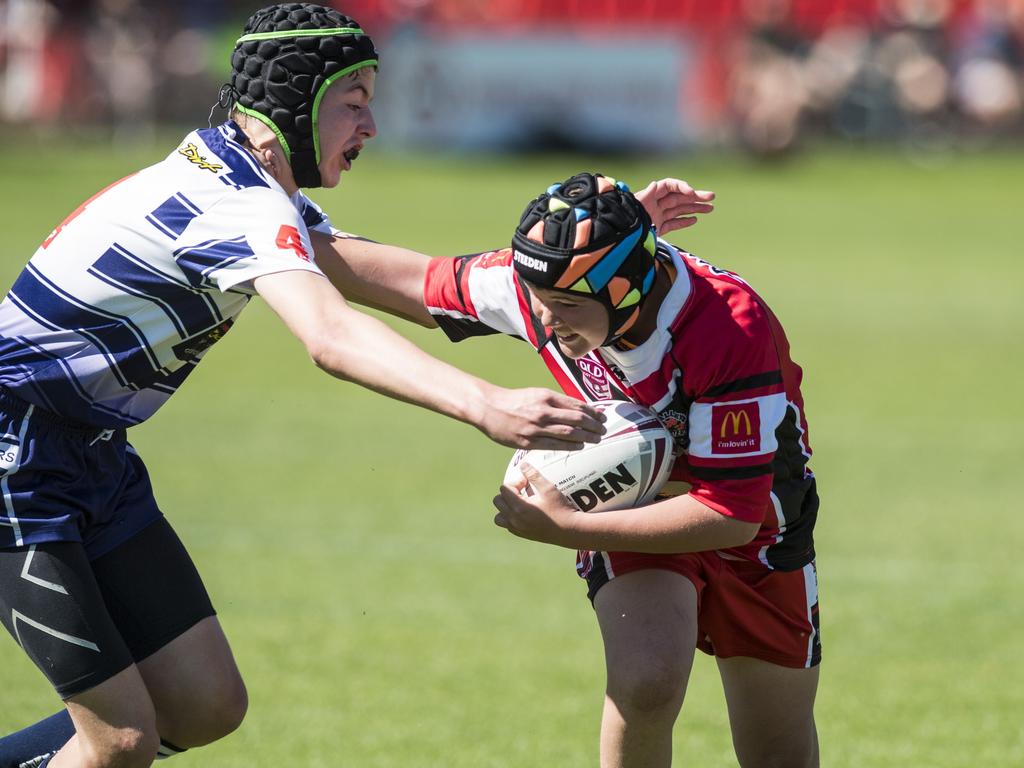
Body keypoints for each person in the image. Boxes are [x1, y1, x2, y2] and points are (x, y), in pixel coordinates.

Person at [0, 6, 611, 768]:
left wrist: (586, 263)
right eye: (353, 104)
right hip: (14, 459)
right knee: (118, 741)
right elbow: (330, 335)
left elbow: (411, 285)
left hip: (92, 457)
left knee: (204, 704)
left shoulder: (243, 178)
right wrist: (484, 403)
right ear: (292, 104)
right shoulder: (235, 203)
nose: (372, 127)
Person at [386, 172, 821, 767]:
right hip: (638, 508)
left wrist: (570, 529)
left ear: (626, 289)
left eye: (565, 306)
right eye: (538, 298)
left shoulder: (725, 324)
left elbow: (732, 514)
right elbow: (406, 281)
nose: (544, 318)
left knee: (779, 753)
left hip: (761, 526)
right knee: (647, 681)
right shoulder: (547, 283)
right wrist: (281, 226)